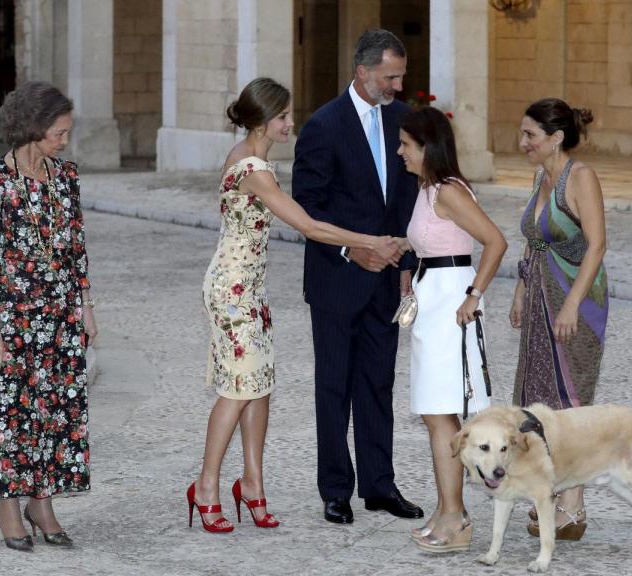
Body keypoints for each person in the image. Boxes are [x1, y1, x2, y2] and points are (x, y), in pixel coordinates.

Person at [188, 77, 402, 534]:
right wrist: (369, 241)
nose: (291, 123)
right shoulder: (253, 170)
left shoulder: (257, 160)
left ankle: (252, 484)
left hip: (251, 288)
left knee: (260, 387)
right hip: (232, 290)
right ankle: (205, 486)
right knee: (238, 389)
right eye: (284, 116)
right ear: (265, 121)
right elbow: (310, 225)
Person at [292, 28, 422, 525]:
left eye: (400, 76)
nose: (396, 84)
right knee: (334, 386)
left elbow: (408, 200)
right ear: (362, 71)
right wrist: (354, 249)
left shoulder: (405, 119)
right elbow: (308, 209)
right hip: (336, 278)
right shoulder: (323, 126)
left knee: (377, 384)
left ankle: (379, 486)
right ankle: (335, 489)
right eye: (390, 76)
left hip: (388, 278)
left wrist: (405, 266)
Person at [0, 81, 97, 551]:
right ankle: (9, 504)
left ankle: (42, 502)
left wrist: (85, 307)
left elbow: (76, 249)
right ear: (32, 128)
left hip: (61, 314)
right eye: (58, 132)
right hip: (13, 316)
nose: (64, 140)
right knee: (10, 412)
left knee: (56, 412)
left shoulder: (66, 176)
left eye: (66, 132)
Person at [394, 107, 507, 552]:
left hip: (451, 305)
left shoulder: (448, 190)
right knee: (433, 412)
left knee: (442, 413)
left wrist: (473, 296)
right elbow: (436, 241)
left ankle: (456, 517)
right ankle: (446, 509)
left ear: (427, 148)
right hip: (432, 298)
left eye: (406, 144)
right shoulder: (427, 189)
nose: (400, 151)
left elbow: (495, 241)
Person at [509, 97, 608, 541]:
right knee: (540, 399)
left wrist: (570, 306)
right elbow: (535, 241)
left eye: (530, 134)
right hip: (539, 301)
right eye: (523, 133)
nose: (522, 141)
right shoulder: (539, 177)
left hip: (576, 303)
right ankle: (551, 494)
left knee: (571, 402)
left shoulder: (581, 178)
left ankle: (575, 505)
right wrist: (520, 289)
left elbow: (598, 246)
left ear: (556, 138)